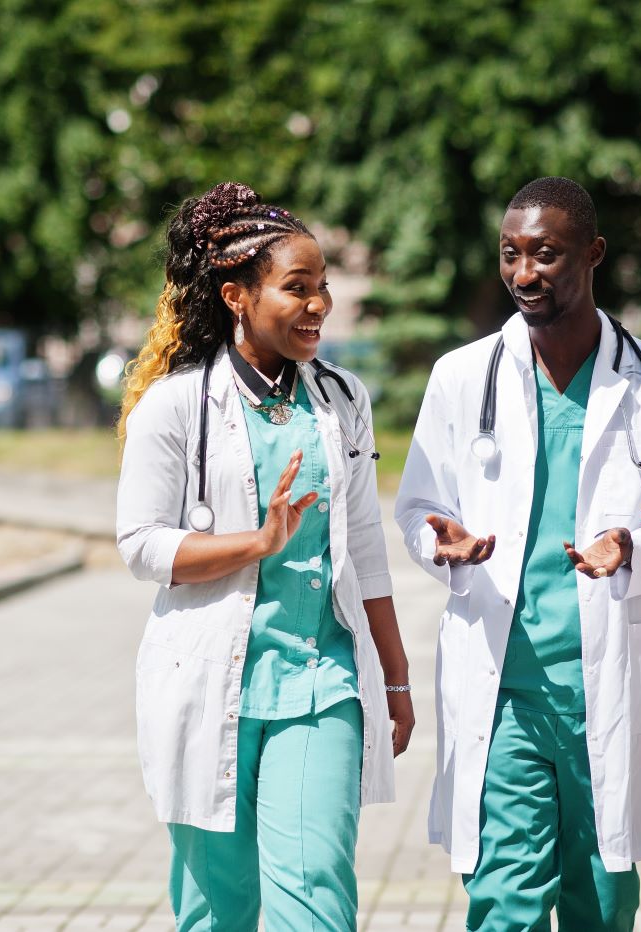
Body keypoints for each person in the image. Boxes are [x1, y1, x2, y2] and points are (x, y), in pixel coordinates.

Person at [394, 177, 641, 931]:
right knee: (504, 904)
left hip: (603, 676)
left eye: (546, 254)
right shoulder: (461, 376)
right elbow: (417, 506)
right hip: (502, 685)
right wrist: (446, 544)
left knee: (601, 903)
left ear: (593, 254)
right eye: (511, 255)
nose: (525, 274)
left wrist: (630, 544)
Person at [115, 182, 414, 932]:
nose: (319, 305)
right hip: (209, 676)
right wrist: (255, 543)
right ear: (237, 296)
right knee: (219, 908)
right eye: (297, 287)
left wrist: (398, 679)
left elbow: (367, 546)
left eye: (323, 287)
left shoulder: (343, 399)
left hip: (320, 680)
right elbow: (142, 544)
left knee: (315, 892)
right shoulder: (177, 406)